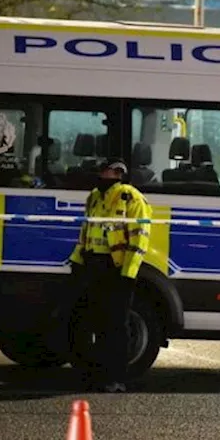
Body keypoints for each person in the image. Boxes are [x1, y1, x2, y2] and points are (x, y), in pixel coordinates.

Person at [67, 158, 152, 392]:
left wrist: (128, 273)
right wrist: (77, 259)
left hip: (117, 269)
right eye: (102, 171)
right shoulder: (94, 196)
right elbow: (86, 231)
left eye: (107, 171)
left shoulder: (131, 197)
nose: (102, 175)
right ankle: (98, 374)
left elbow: (140, 239)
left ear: (118, 173)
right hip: (93, 264)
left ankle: (116, 378)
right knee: (96, 321)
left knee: (116, 325)